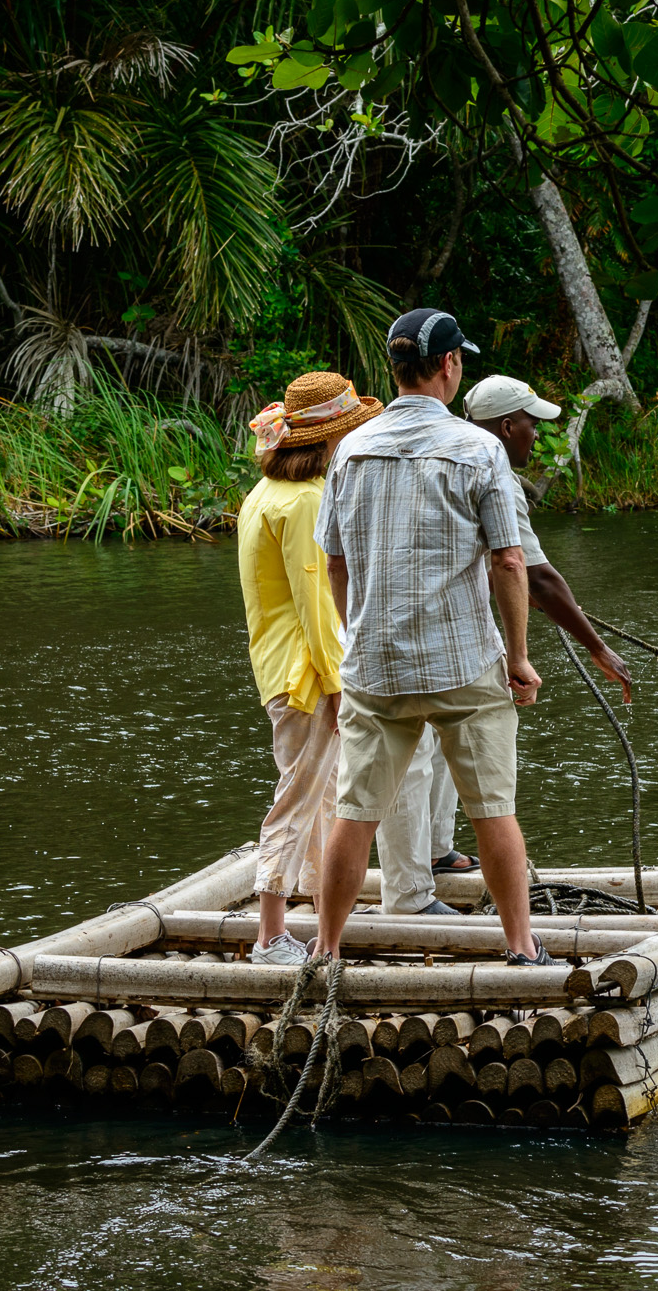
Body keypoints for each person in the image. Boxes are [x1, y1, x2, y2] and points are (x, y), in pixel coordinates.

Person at [313, 308, 558, 964]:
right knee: (492, 810)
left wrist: (355, 634)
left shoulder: (350, 451)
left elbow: (335, 563)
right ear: (449, 365)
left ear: (395, 370)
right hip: (462, 665)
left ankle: (326, 951)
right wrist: (520, 659)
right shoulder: (479, 449)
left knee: (355, 814)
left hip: (374, 668)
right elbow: (510, 561)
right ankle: (520, 947)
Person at [373, 374, 634, 917]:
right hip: (431, 638)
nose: (536, 436)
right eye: (532, 426)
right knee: (419, 761)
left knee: (439, 749)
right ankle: (408, 898)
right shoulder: (489, 467)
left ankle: (437, 851)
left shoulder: (437, 450)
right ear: (508, 425)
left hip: (425, 632)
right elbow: (530, 576)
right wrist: (595, 647)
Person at [236, 370, 383, 965]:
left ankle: (326, 921)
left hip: (283, 669)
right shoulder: (306, 502)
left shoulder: (264, 496)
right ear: (326, 443)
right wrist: (341, 683)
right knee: (298, 799)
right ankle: (269, 933)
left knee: (322, 798)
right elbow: (320, 608)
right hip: (307, 676)